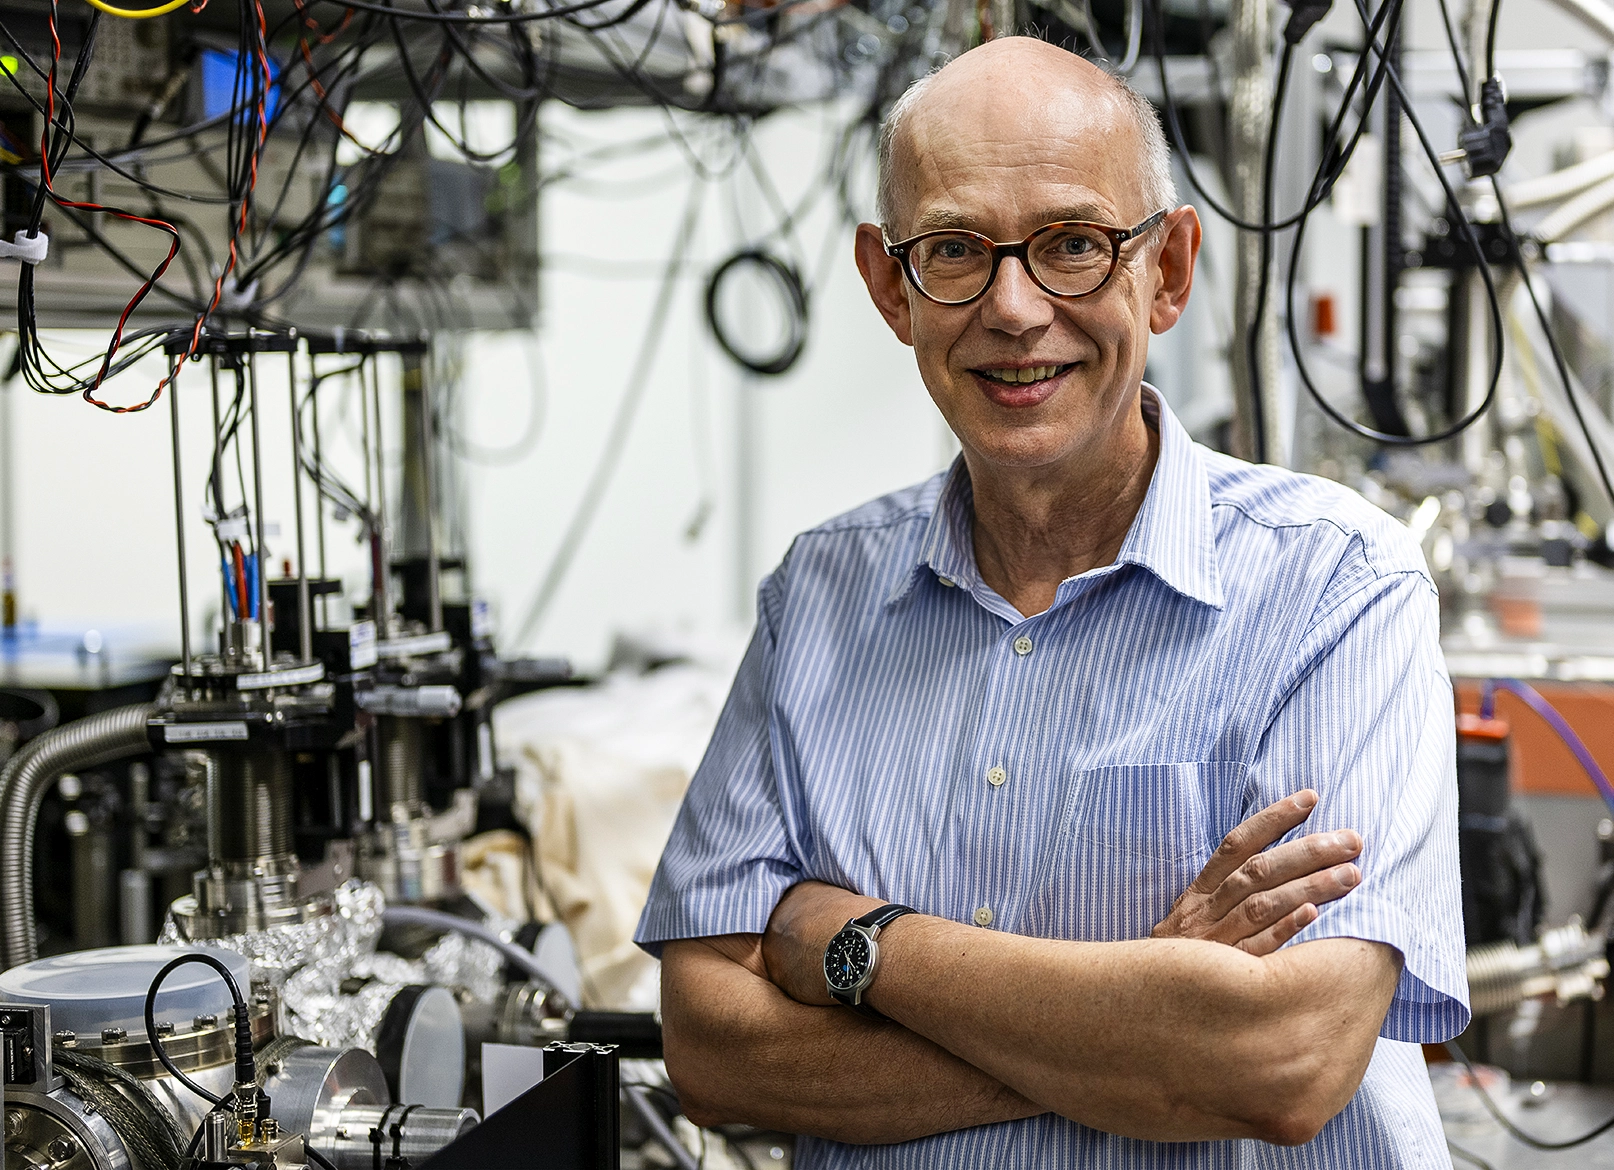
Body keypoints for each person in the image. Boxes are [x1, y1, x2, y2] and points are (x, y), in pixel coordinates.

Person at [635, 35, 1467, 1167]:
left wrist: (859, 945)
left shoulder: (1336, 589)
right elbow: (712, 1049)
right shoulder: (817, 600)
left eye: (1074, 245)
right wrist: (1142, 1015)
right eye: (955, 251)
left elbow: (1283, 1059)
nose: (1015, 309)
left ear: (1166, 271)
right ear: (891, 286)